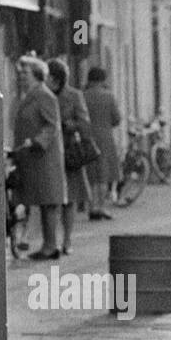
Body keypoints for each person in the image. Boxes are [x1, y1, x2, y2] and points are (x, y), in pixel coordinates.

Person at [12, 55, 67, 260]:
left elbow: (52, 125)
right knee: (42, 199)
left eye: (25, 73)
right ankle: (47, 244)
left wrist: (37, 141)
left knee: (48, 200)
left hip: (44, 157)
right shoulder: (31, 95)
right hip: (33, 157)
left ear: (37, 74)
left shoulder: (44, 95)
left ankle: (50, 246)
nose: (22, 77)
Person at [47, 58, 91, 256]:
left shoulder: (74, 95)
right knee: (51, 197)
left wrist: (68, 125)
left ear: (57, 79)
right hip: (49, 151)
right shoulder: (43, 95)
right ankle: (51, 241)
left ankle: (67, 240)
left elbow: (84, 122)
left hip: (69, 151)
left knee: (70, 198)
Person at [83, 66, 121, 220]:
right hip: (105, 138)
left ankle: (92, 206)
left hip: (88, 138)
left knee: (91, 173)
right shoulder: (109, 96)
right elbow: (116, 119)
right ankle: (101, 207)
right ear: (103, 79)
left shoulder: (83, 96)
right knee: (104, 174)